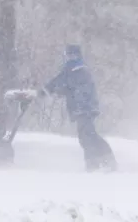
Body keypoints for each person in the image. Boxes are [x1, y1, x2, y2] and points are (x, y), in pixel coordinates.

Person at [41, 44, 117, 172]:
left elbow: (66, 84)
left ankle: (98, 162)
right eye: (68, 55)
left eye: (71, 55)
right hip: (83, 108)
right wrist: (48, 90)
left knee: (87, 136)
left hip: (84, 108)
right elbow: (62, 83)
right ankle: (100, 161)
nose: (69, 57)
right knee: (87, 136)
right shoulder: (72, 69)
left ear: (77, 55)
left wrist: (52, 90)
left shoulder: (78, 69)